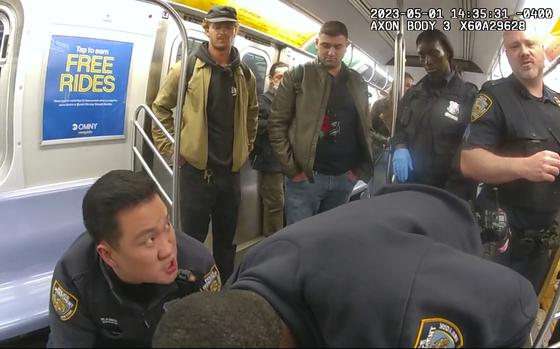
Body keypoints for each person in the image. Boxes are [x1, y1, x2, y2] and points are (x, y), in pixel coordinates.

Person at [152, 184, 538, 348]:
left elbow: (516, 300)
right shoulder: (248, 279)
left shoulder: (394, 314)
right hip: (376, 222)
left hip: (445, 223)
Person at [47, 170, 220, 347]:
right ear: (108, 255)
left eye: (167, 225)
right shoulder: (75, 277)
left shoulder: (198, 265)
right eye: (150, 240)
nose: (168, 250)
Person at [151, 5, 258, 283]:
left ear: (236, 31)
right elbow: (160, 108)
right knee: (191, 239)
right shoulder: (186, 68)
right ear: (206, 29)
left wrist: (245, 147)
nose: (222, 31)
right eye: (217, 26)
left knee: (226, 240)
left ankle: (222, 286)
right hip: (196, 173)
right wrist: (173, 150)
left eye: (228, 26)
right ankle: (191, 288)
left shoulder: (245, 75)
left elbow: (252, 114)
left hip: (230, 174)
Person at [460, 29, 560, 291]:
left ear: (542, 51)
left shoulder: (557, 105)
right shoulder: (495, 97)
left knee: (524, 311)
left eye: (530, 44)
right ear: (507, 55)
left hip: (543, 242)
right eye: (514, 47)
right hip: (502, 240)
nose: (524, 51)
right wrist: (524, 167)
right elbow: (470, 161)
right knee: (487, 310)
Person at [268, 21, 374, 225]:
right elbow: (277, 124)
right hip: (306, 177)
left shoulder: (357, 82)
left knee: (329, 238)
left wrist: (358, 170)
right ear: (317, 43)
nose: (331, 52)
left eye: (337, 47)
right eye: (325, 45)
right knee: (299, 240)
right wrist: (292, 169)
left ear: (347, 46)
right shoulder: (298, 76)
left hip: (344, 177)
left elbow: (365, 125)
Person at [392, 30, 477, 200]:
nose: (427, 61)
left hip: (449, 188)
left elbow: (472, 145)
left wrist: (456, 192)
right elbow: (400, 129)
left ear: (448, 53)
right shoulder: (412, 94)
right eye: (422, 56)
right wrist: (400, 148)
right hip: (411, 185)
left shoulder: (468, 95)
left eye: (434, 53)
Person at [250, 62, 290, 236]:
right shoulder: (263, 101)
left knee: (285, 202)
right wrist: (280, 122)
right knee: (275, 204)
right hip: (270, 161)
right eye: (279, 77)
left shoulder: (290, 102)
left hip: (287, 161)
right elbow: (255, 126)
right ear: (271, 79)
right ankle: (272, 241)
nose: (282, 82)